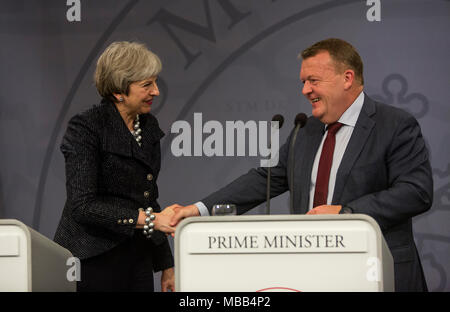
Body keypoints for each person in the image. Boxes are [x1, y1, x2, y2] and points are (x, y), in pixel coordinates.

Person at [169, 38, 433, 292]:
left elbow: (415, 192)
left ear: (347, 78)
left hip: (374, 271)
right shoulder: (305, 130)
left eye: (313, 80)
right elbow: (266, 178)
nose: (305, 90)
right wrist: (198, 210)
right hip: (311, 273)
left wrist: (346, 213)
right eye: (303, 82)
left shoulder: (394, 125)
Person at [54, 41, 179, 292]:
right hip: (93, 256)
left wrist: (167, 265)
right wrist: (152, 220)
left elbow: (147, 197)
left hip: (137, 254)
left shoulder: (147, 126)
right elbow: (83, 206)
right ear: (119, 91)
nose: (155, 91)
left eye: (155, 82)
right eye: (146, 85)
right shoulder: (87, 127)